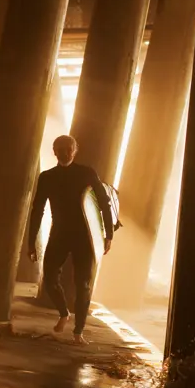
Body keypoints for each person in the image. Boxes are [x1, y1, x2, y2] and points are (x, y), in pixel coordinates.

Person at [28, 135, 114, 345]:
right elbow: (37, 209)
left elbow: (103, 202)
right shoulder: (47, 177)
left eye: (69, 148)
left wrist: (108, 233)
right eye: (60, 148)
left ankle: (78, 331)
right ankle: (64, 313)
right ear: (54, 151)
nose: (65, 152)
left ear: (75, 151)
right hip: (59, 234)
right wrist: (31, 242)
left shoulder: (86, 172)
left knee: (83, 284)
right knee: (49, 278)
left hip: (84, 236)